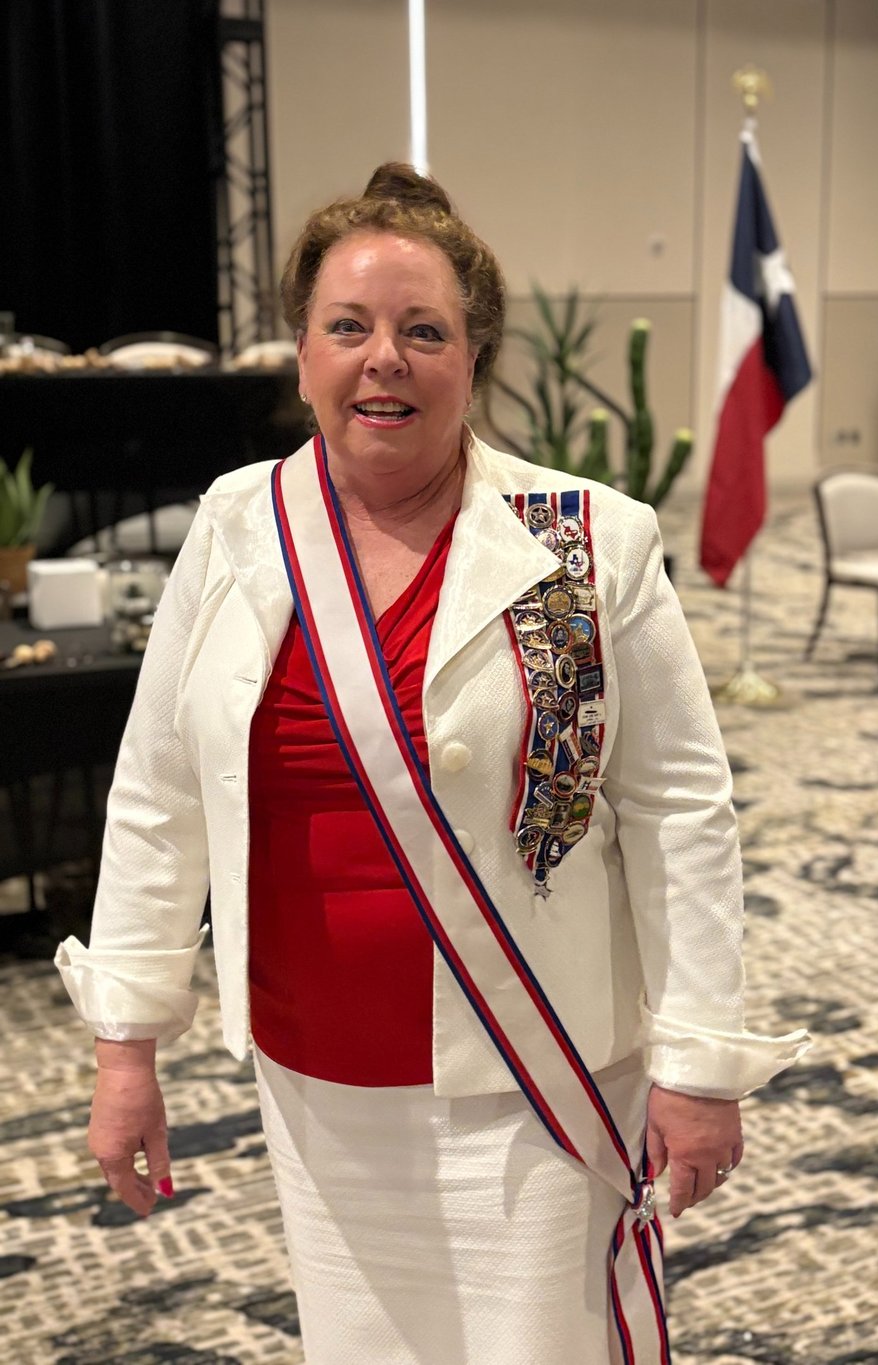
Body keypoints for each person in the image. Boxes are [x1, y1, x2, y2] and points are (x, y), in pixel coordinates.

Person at [56, 163, 810, 1364]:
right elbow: (158, 795)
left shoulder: (582, 542)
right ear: (300, 354)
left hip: (539, 1062)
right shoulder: (237, 526)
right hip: (321, 1082)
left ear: (472, 356)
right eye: (347, 327)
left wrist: (699, 1065)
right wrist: (124, 1051)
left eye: (424, 331)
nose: (384, 358)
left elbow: (678, 813)